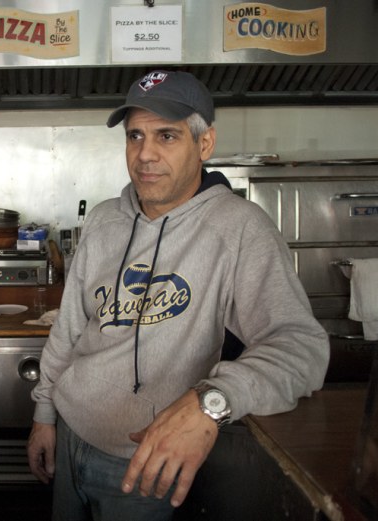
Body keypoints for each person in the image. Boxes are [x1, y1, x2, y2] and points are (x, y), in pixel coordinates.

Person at [26, 70, 330, 521]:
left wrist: (212, 401)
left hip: (148, 465)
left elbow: (301, 348)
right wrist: (45, 414)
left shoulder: (240, 229)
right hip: (70, 434)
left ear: (204, 144)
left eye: (166, 135)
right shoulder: (105, 220)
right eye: (135, 136)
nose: (145, 154)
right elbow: (69, 329)